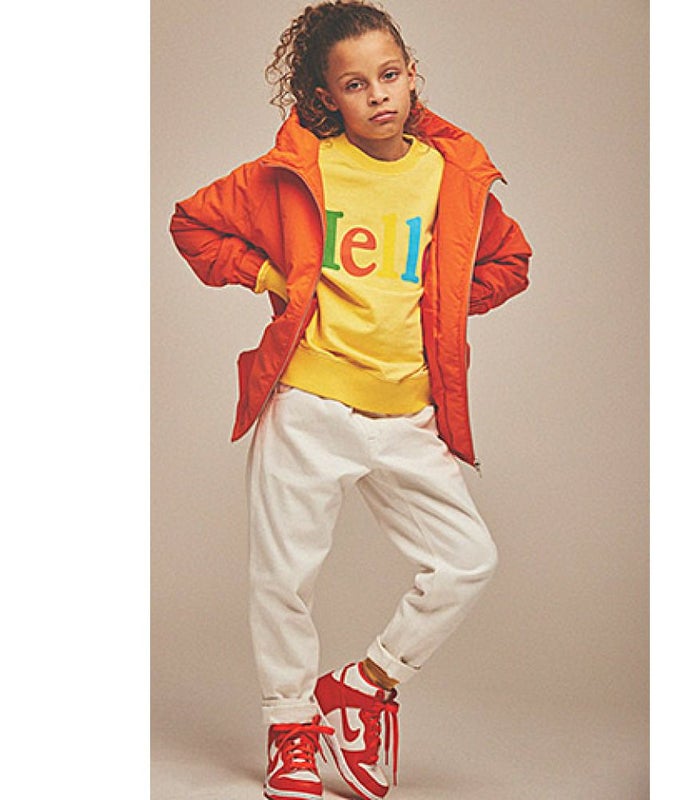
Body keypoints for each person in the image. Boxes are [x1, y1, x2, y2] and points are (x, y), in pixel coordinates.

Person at [169, 2, 533, 798]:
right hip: (309, 403)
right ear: (327, 96)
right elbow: (193, 223)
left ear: (412, 75)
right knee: (283, 577)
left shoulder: (448, 176)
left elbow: (511, 261)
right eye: (356, 84)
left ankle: (366, 685)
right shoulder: (302, 169)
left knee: (468, 559)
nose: (379, 95)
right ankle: (291, 729)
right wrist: (269, 276)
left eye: (390, 75)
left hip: (408, 414)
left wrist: (443, 305)